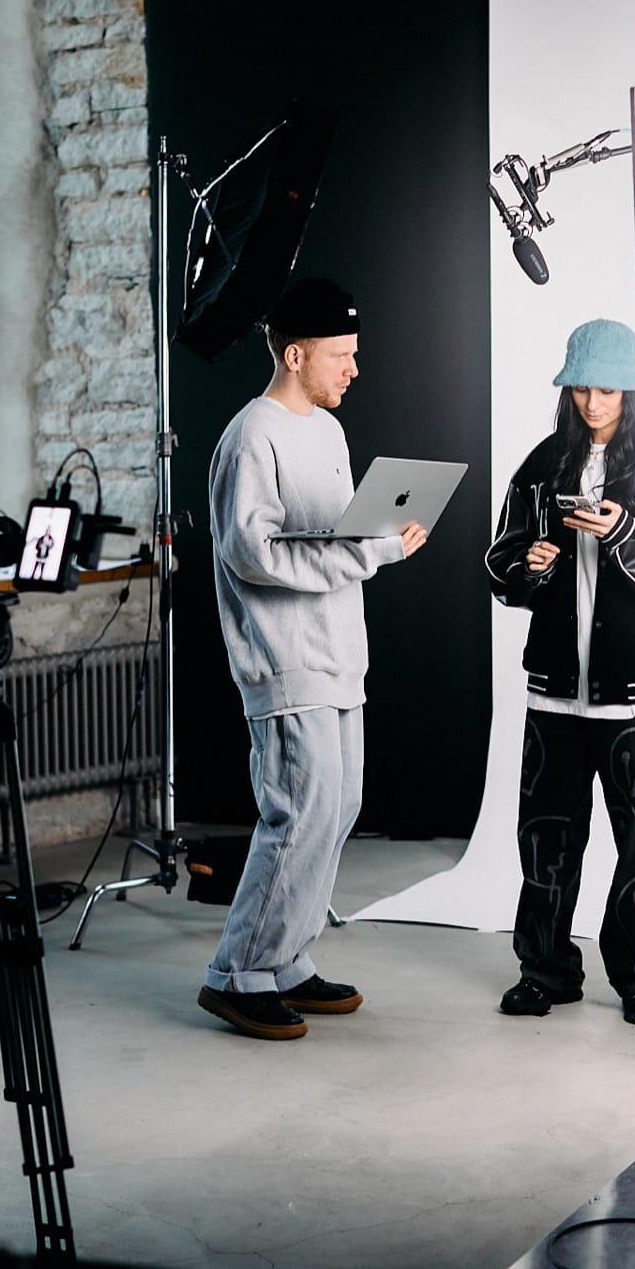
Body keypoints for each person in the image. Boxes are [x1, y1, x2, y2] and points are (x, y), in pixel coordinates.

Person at [198, 277, 427, 1041]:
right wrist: (372, 552)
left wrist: (377, 535)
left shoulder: (328, 432)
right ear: (295, 355)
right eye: (341, 355)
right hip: (284, 657)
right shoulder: (251, 437)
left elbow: (333, 537)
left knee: (339, 807)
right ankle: (237, 972)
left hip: (339, 653)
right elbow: (253, 554)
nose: (354, 369)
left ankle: (287, 960)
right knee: (297, 813)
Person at [485, 318, 635, 1027]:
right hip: (555, 688)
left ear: (632, 391)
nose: (593, 402)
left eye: (607, 389)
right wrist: (530, 566)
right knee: (545, 836)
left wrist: (622, 533)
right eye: (581, 388)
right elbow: (500, 561)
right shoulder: (544, 462)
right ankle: (543, 968)